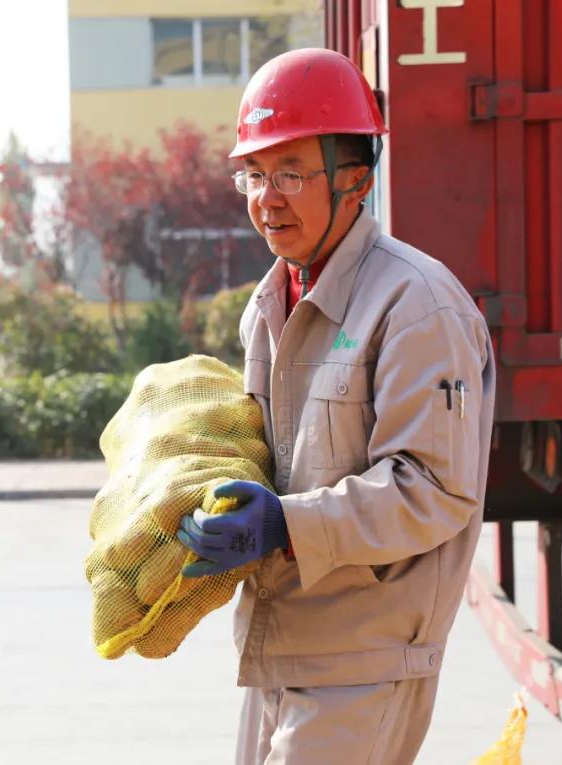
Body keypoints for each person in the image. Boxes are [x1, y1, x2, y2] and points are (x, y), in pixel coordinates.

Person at [176, 48, 496, 764]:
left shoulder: (416, 304)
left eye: (290, 172)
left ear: (356, 178)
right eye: (254, 175)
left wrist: (284, 525)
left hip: (364, 661)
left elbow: (436, 490)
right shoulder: (269, 304)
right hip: (280, 649)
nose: (267, 198)